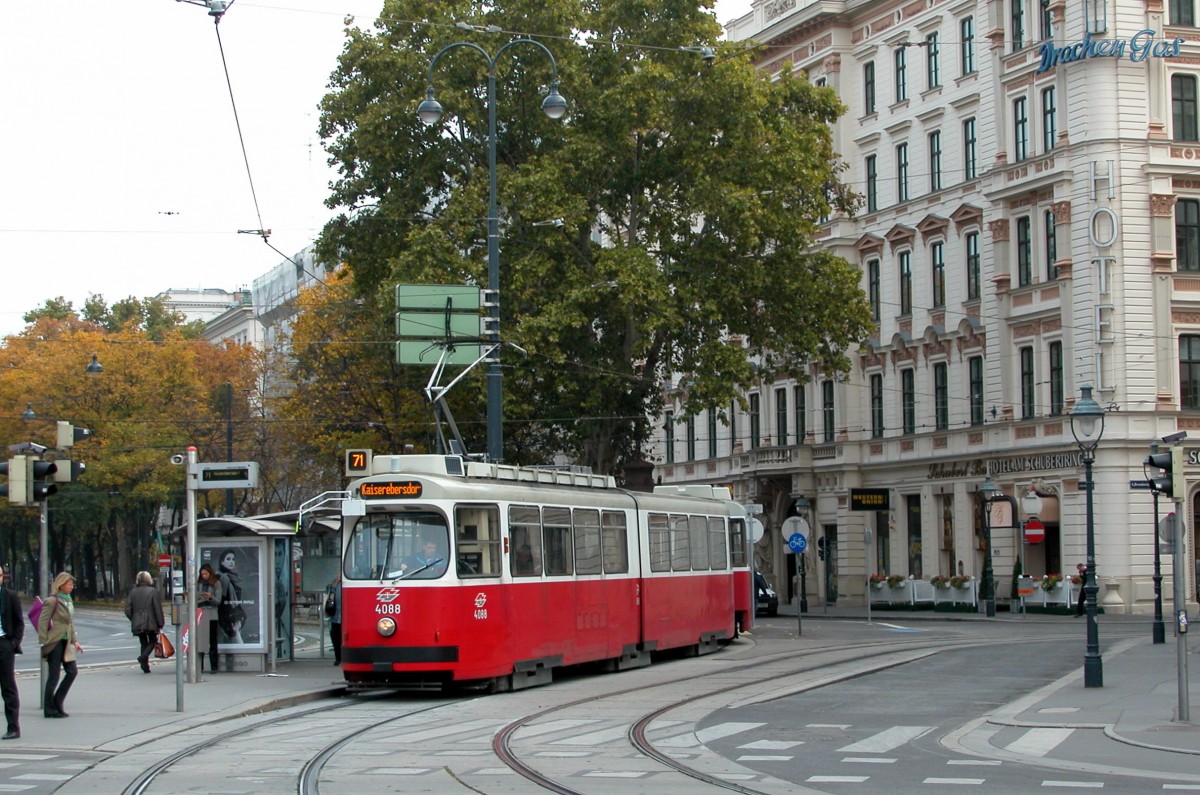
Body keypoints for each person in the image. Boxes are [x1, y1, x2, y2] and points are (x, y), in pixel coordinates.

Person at [38, 572, 83, 719]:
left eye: (72, 584)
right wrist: (44, 640)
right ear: (61, 585)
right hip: (55, 641)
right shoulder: (52, 601)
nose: (71, 587)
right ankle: (49, 709)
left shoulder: (68, 600)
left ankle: (57, 701)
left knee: (72, 671)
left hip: (66, 641)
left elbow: (70, 622)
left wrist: (75, 640)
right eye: (69, 584)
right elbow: (43, 621)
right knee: (54, 676)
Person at [0, 565, 24, 740]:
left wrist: (13, 643)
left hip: (4, 644)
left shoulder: (10, 596)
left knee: (8, 687)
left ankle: (13, 727)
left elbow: (19, 622)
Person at [124, 571, 165, 674]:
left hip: (137, 621)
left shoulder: (133, 592)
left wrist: (134, 618)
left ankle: (145, 665)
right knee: (153, 640)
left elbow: (127, 610)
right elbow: (157, 609)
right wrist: (160, 623)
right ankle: (143, 657)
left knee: (143, 642)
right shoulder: (153, 591)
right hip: (151, 621)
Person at [196, 563, 222, 673]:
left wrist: (210, 597)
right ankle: (199, 666)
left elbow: (218, 601)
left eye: (206, 574)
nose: (204, 576)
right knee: (200, 641)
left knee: (212, 641)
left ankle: (214, 666)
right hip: (201, 613)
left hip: (211, 615)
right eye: (202, 574)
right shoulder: (198, 583)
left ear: (210, 573)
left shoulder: (216, 583)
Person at [217, 549, 245, 644]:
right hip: (227, 617)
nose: (231, 561)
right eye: (228, 559)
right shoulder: (221, 577)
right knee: (239, 644)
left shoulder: (233, 577)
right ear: (222, 562)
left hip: (234, 616)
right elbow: (223, 600)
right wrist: (231, 619)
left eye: (233, 559)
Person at [325, 575, 342, 665]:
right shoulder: (333, 586)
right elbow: (329, 594)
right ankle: (338, 658)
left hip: (345, 619)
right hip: (335, 617)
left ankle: (343, 657)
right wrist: (335, 582)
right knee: (335, 639)